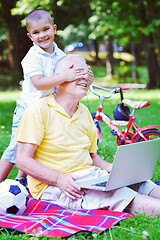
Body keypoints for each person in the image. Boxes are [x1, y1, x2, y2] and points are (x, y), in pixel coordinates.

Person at [15, 54, 160, 216]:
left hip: (90, 177)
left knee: (141, 183)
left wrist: (113, 169)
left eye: (85, 72)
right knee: (122, 196)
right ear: (58, 78)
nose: (83, 76)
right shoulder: (38, 109)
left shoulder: (83, 112)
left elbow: (92, 157)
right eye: (75, 71)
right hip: (57, 186)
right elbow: (22, 160)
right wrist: (59, 179)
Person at [0, 9, 92, 187]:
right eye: (36, 32)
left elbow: (72, 76)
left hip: (48, 110)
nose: (42, 35)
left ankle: (21, 179)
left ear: (54, 29)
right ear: (30, 36)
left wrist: (85, 76)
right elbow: (39, 84)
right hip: (28, 109)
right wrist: (65, 76)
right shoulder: (31, 58)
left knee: (37, 145)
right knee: (16, 148)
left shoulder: (61, 56)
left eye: (46, 29)